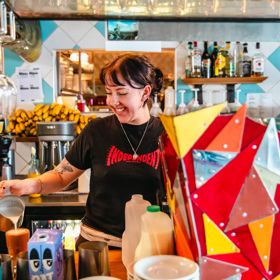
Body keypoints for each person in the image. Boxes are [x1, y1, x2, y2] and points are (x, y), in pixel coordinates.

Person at [0, 54, 165, 248]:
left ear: (145, 93)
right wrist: (29, 185)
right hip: (95, 245)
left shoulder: (166, 135)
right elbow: (61, 176)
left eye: (121, 93)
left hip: (149, 245)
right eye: (109, 92)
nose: (112, 101)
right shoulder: (97, 131)